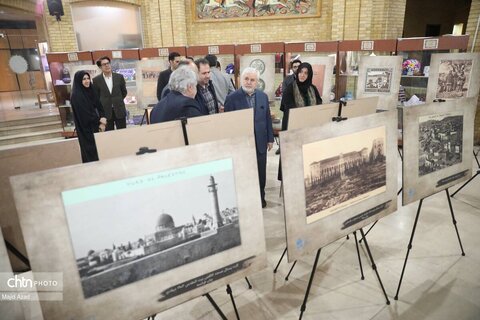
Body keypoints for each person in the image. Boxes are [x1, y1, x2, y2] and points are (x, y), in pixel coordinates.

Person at [224, 67, 274, 208]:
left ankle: (260, 197)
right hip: (241, 144)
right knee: (244, 173)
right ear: (241, 79)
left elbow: (267, 119)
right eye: (246, 79)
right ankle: (246, 200)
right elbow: (227, 124)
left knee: (260, 172)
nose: (248, 82)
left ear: (257, 82)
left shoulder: (262, 97)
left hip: (260, 142)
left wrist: (270, 138)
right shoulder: (231, 99)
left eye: (252, 80)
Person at [278, 62, 322, 180]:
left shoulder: (313, 89)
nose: (302, 75)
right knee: (293, 160)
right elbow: (290, 109)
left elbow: (319, 105)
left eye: (306, 73)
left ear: (309, 75)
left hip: (309, 131)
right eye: (301, 72)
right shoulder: (290, 88)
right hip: (293, 130)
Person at [70, 70, 106, 163]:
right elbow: (85, 115)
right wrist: (101, 121)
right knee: (91, 152)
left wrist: (103, 117)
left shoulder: (91, 90)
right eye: (84, 79)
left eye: (88, 78)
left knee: (100, 151)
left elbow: (99, 105)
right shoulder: (76, 95)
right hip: (86, 129)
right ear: (79, 81)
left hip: (95, 126)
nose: (87, 81)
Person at [92, 56, 127, 130]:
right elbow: (96, 96)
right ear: (100, 67)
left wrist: (117, 100)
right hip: (106, 112)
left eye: (108, 63)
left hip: (119, 110)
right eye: (104, 64)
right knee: (109, 135)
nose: (107, 65)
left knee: (123, 134)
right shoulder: (96, 80)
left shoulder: (119, 77)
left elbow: (124, 92)